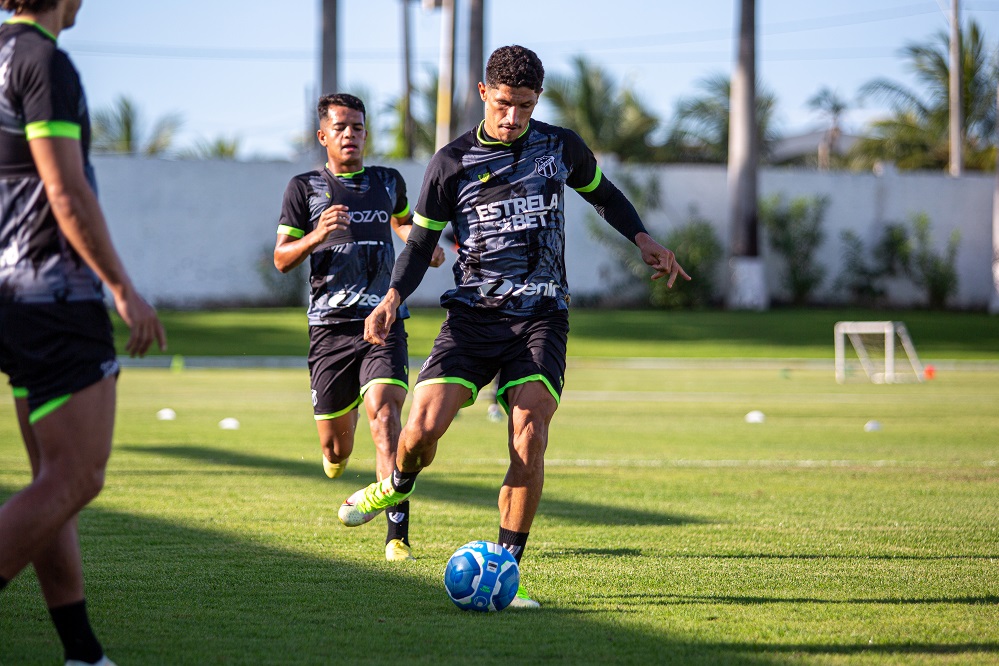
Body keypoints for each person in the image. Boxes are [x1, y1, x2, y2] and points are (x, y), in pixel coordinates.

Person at [337, 45, 689, 608]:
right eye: (503, 104)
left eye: (525, 105)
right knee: (420, 432)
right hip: (472, 317)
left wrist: (643, 238)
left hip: (541, 317)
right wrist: (392, 297)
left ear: (537, 100)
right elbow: (421, 243)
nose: (513, 116)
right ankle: (396, 485)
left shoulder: (559, 146)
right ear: (483, 93)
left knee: (530, 431)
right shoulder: (451, 162)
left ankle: (506, 570)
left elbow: (604, 195)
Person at [0, 1, 166, 664]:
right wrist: (122, 288)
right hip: (55, 296)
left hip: (11, 297)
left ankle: (83, 652)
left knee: (52, 480)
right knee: (76, 477)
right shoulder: (44, 62)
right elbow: (65, 192)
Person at [274, 93, 444, 562]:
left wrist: (424, 246)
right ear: (323, 135)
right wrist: (317, 234)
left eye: (358, 127)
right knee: (335, 448)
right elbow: (282, 259)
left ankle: (397, 537)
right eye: (341, 127)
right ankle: (336, 454)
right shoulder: (304, 188)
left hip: (382, 321)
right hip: (329, 329)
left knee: (386, 419)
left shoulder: (388, 181)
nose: (350, 134)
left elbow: (404, 224)